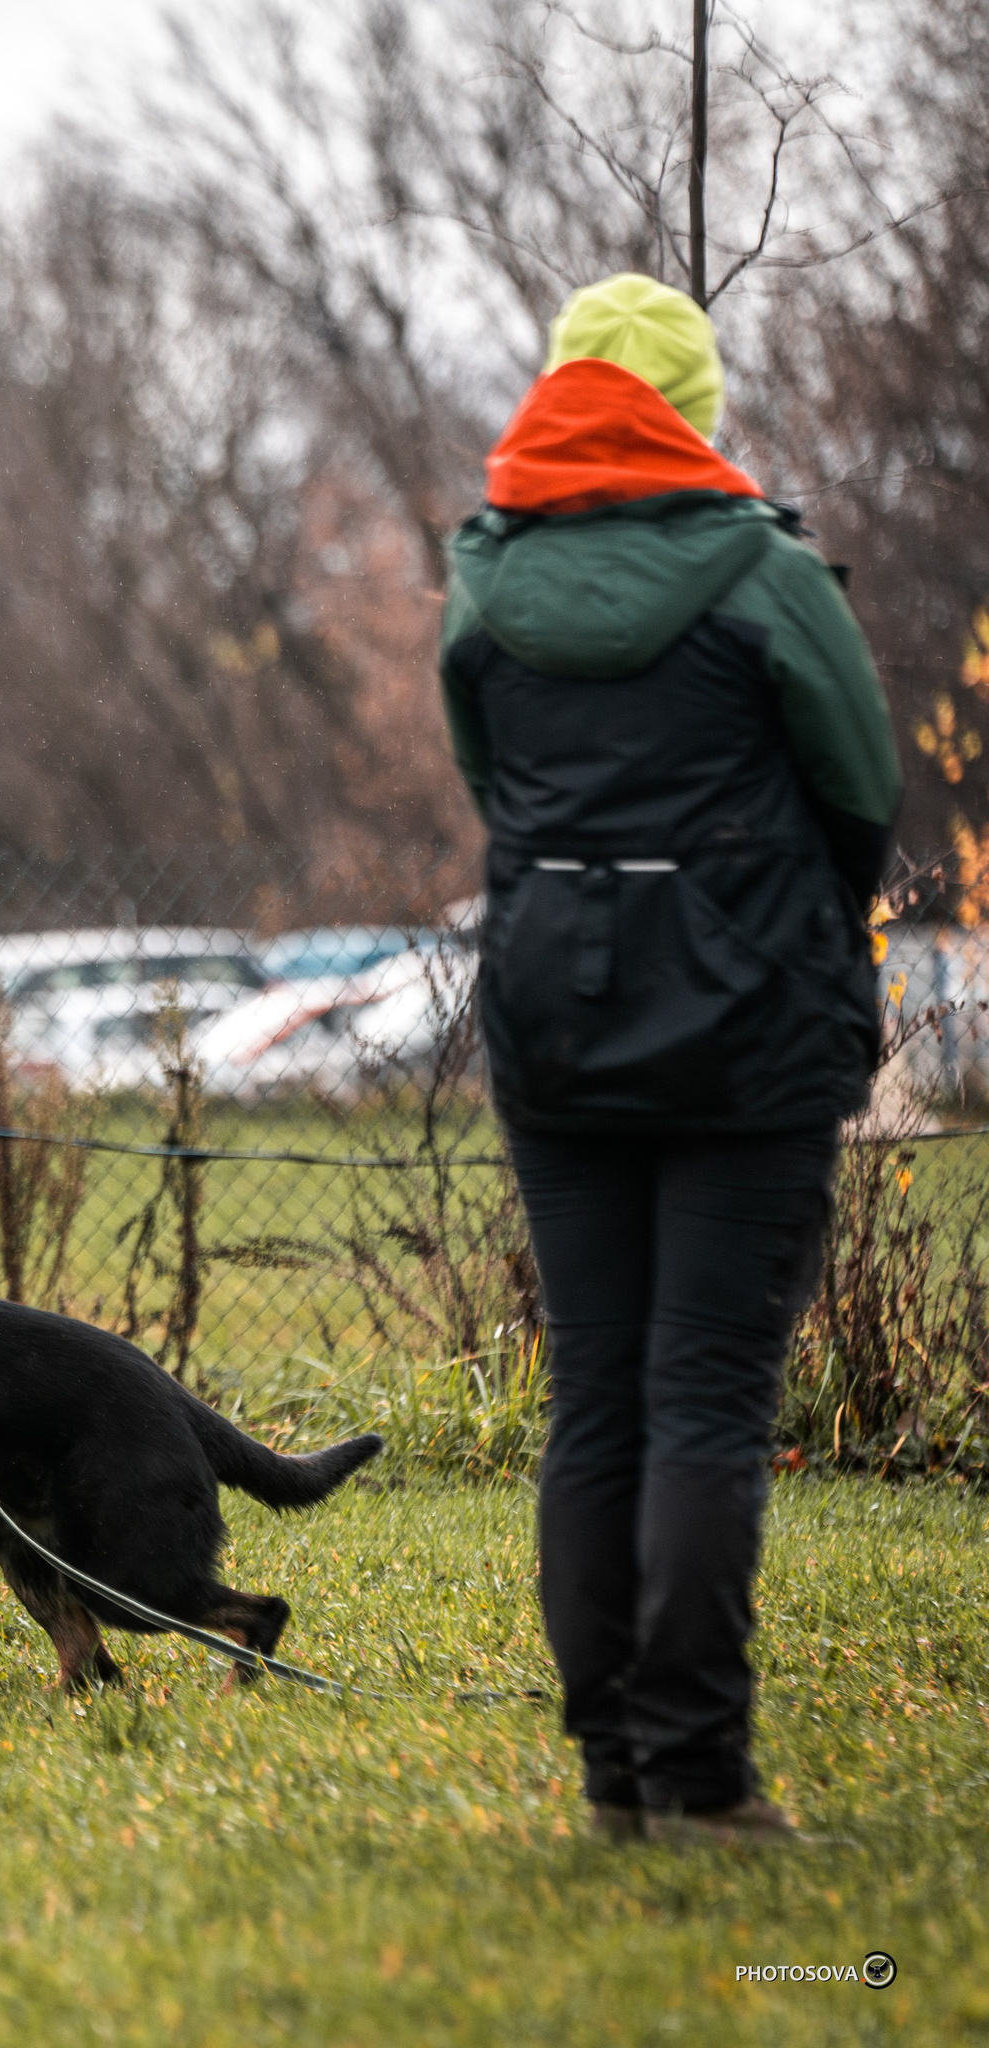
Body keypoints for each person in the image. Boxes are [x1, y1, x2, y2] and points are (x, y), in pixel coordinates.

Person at [439, 275, 900, 1843]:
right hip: (751, 1026)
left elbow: (498, 787)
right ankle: (702, 1775)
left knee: (602, 1400)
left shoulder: (481, 583)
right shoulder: (761, 570)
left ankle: (617, 1776)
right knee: (706, 1396)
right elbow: (861, 788)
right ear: (689, 410)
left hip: (556, 1021)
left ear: (563, 397)